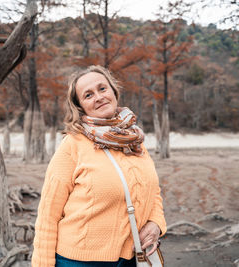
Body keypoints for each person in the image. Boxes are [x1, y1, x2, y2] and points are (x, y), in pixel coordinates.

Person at [32, 65, 167, 266]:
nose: (98, 97)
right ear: (80, 107)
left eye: (102, 89)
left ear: (114, 91)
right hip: (79, 261)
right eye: (88, 95)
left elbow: (153, 192)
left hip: (132, 257)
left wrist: (157, 223)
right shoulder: (73, 145)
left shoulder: (134, 140)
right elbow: (47, 216)